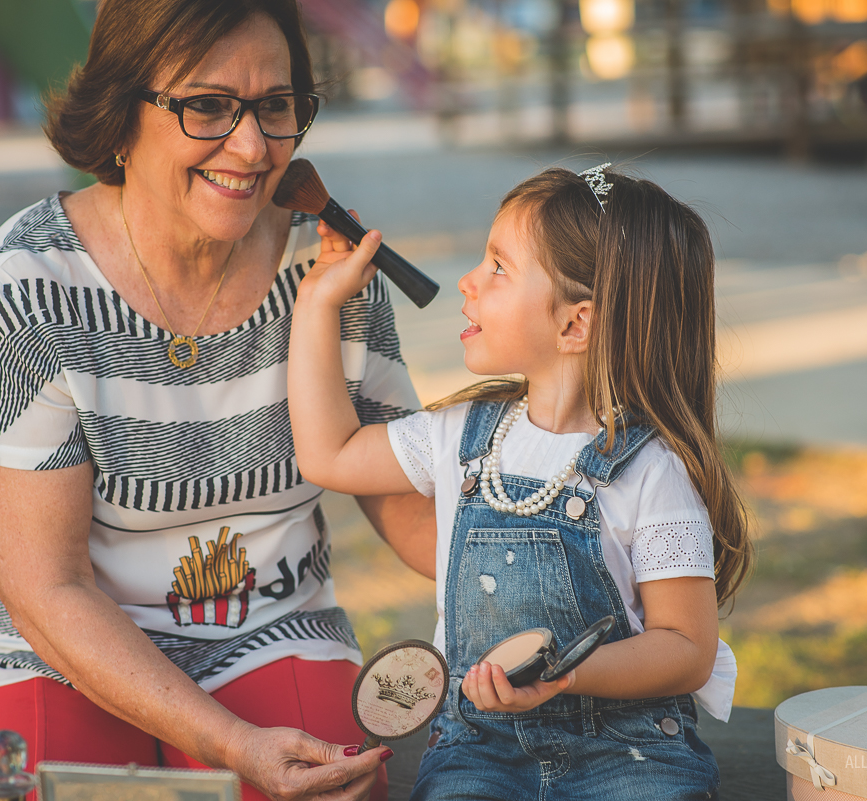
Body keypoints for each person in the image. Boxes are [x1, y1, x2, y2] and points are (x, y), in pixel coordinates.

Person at [0, 2, 435, 800]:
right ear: (122, 112)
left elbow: (407, 503)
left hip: (272, 629)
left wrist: (546, 548)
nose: (253, 146)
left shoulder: (328, 265)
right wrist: (231, 742)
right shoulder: (27, 291)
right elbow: (46, 588)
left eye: (276, 106)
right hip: (50, 646)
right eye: (207, 105)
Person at [287, 164, 753, 800]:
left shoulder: (651, 469)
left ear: (574, 324)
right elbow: (330, 453)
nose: (468, 282)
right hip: (479, 751)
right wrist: (317, 302)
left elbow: (686, 648)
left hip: (630, 754)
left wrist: (565, 675)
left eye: (498, 267)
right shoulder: (455, 437)